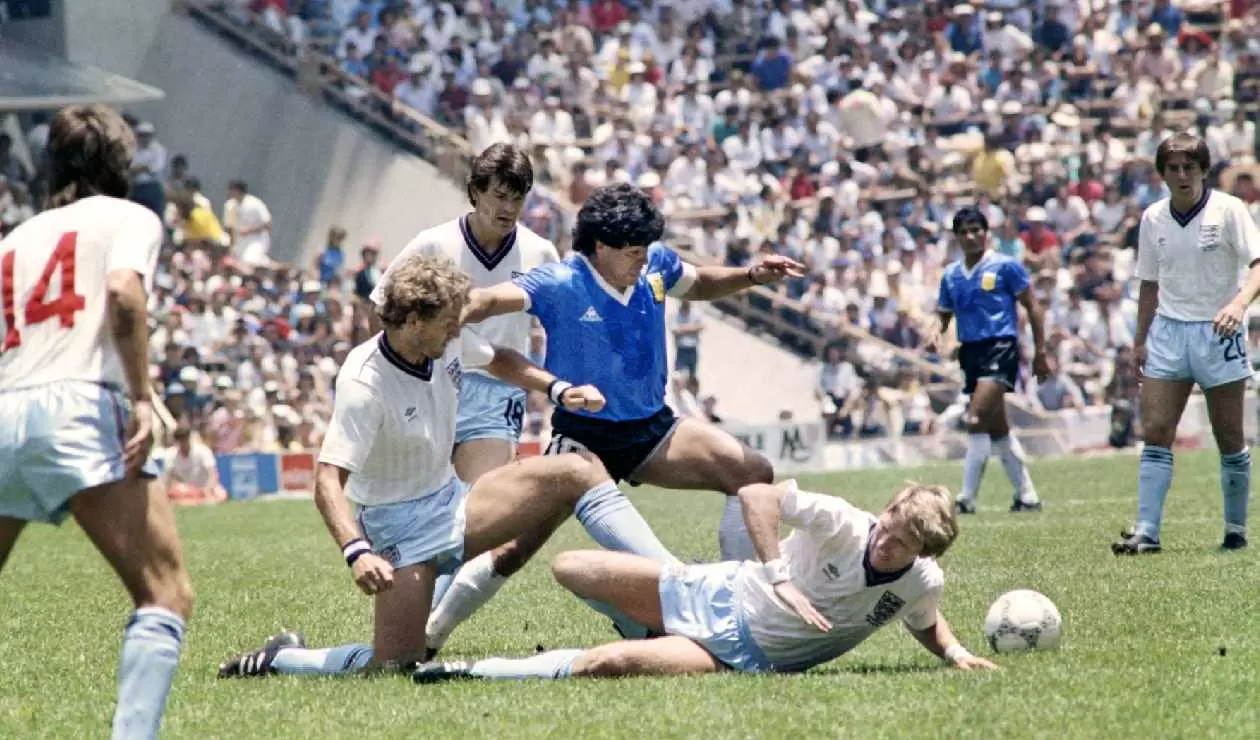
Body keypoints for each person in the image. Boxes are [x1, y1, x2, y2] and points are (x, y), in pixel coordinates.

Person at [217, 254, 676, 678]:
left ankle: (676, 588)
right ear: (414, 321)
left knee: (577, 469)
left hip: (454, 502)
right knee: (396, 666)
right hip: (399, 530)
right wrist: (357, 551)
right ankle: (282, 657)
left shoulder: (445, 340)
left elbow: (499, 360)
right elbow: (327, 480)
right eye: (448, 324)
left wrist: (558, 389)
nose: (457, 330)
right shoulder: (363, 383)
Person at [436, 182, 805, 649]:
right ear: (600, 247)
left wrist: (750, 274)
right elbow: (490, 300)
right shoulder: (561, 281)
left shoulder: (655, 264)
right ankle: (431, 634)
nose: (642, 260)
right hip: (582, 440)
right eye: (632, 252)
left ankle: (737, 603)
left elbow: (698, 283)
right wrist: (452, 310)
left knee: (751, 472)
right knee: (514, 549)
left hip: (651, 430)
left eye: (645, 250)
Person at [0, 105, 194, 740]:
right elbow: (122, 294)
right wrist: (142, 397)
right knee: (165, 593)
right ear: (122, 162)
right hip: (80, 404)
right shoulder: (130, 216)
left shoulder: (14, 239)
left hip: (6, 405)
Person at [412, 480, 997, 682]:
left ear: (923, 553)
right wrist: (779, 577)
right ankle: (650, 629)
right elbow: (757, 494)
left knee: (606, 664)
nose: (885, 539)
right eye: (889, 523)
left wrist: (955, 653)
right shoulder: (844, 521)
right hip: (717, 589)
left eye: (902, 543)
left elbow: (924, 617)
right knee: (569, 566)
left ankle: (464, 672)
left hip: (739, 655)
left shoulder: (922, 582)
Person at [368, 143, 560, 657]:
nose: (507, 208)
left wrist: (557, 386)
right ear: (474, 192)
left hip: (497, 392)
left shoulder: (541, 253)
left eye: (517, 198)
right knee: (424, 516)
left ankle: (427, 631)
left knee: (481, 514)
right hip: (431, 383)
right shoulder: (433, 243)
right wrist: (391, 376)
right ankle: (407, 631)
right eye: (498, 195)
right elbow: (380, 307)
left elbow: (559, 324)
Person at [1114, 133, 1260, 555]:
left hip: (1219, 332)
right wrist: (1139, 341)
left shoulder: (1229, 210)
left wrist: (1238, 304)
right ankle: (1147, 532)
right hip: (1169, 332)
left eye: (1189, 167)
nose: (1182, 175)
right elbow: (1149, 283)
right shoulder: (1152, 218)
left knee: (1228, 435)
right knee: (1156, 430)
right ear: (1162, 174)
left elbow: (1257, 265)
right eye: (1173, 168)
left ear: (1204, 170)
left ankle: (1235, 528)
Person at [925, 206, 1049, 514]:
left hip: (1000, 347)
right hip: (970, 352)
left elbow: (1033, 307)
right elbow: (943, 314)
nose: (970, 237)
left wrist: (1041, 352)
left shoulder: (1006, 267)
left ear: (986, 233)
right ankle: (1027, 496)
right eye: (963, 232)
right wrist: (935, 330)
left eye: (975, 230)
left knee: (976, 418)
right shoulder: (951, 275)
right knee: (998, 428)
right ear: (956, 238)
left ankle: (966, 498)